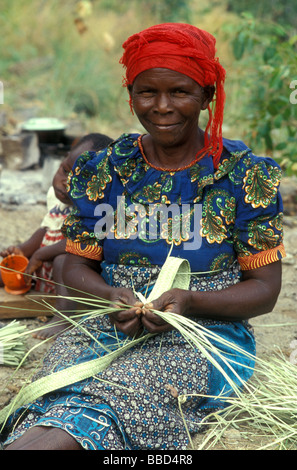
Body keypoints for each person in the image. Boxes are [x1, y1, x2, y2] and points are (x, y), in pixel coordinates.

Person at [2, 23, 285, 450]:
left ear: (208, 95)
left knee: (114, 399)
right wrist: (107, 294)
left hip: (206, 335)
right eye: (146, 92)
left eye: (180, 92)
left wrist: (190, 302)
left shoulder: (244, 175)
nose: (162, 106)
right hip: (106, 324)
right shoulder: (103, 169)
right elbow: (75, 263)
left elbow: (264, 290)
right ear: (130, 95)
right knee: (52, 398)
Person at [0, 132, 113, 339]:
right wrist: (23, 251)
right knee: (7, 267)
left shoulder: (98, 209)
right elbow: (46, 229)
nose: (65, 183)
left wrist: (42, 254)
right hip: (45, 274)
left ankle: (64, 315)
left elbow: (77, 243)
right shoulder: (57, 198)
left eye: (78, 180)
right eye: (64, 171)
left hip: (72, 279)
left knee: (63, 259)